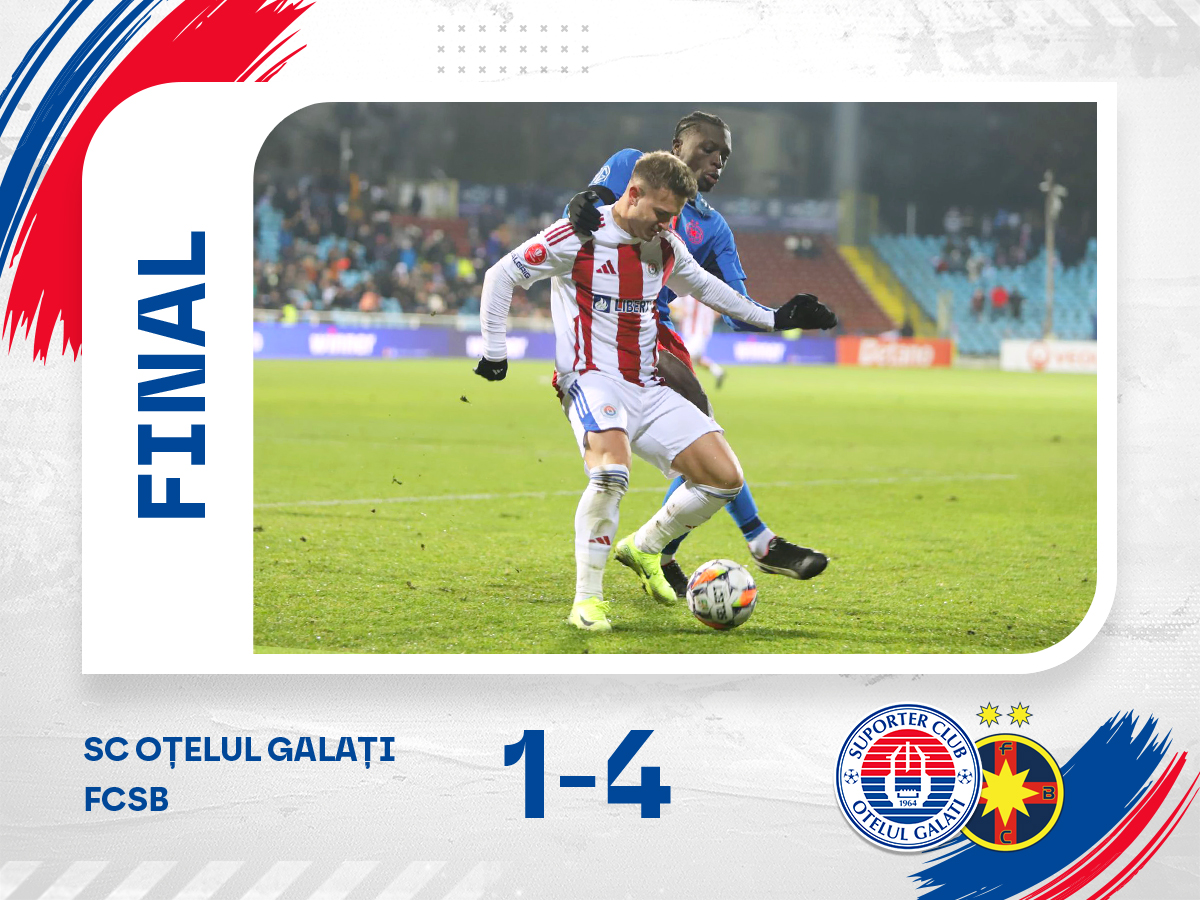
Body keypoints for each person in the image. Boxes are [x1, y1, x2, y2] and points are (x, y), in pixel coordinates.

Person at [474, 152, 837, 632]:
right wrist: (495, 353)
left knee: (724, 479)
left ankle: (645, 547)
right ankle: (587, 600)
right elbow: (501, 274)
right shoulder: (578, 235)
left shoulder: (664, 245)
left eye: (674, 216)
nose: (666, 225)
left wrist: (777, 318)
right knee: (611, 473)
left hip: (648, 383)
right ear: (633, 193)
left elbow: (710, 289)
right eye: (661, 213)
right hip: (590, 377)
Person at [564, 111, 828, 597]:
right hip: (602, 321)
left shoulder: (714, 228)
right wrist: (579, 204)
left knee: (703, 431)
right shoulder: (631, 165)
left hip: (655, 326)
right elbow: (583, 215)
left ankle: (666, 550)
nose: (717, 161)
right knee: (700, 417)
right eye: (708, 148)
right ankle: (747, 541)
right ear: (677, 146)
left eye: (724, 155)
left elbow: (735, 307)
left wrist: (781, 315)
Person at [670, 293, 725, 387]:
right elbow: (673, 305)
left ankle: (690, 385)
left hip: (698, 332)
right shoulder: (693, 293)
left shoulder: (689, 293)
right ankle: (718, 371)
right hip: (691, 332)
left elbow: (672, 306)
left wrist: (677, 313)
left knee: (686, 357)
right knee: (696, 359)